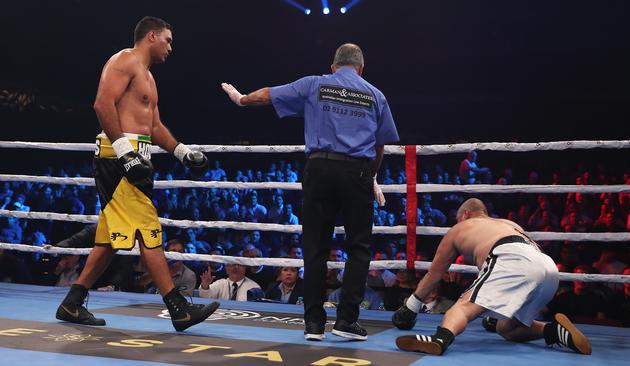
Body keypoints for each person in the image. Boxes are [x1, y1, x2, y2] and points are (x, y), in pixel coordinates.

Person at [222, 43, 399, 341]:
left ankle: (313, 325)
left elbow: (267, 94)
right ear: (361, 69)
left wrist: (241, 100)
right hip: (356, 172)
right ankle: (346, 321)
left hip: (318, 169)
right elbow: (381, 145)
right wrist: (371, 176)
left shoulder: (315, 84)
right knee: (358, 247)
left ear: (333, 66)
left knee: (315, 247)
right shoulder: (375, 95)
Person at [55, 16, 218, 332]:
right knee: (147, 228)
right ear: (152, 36)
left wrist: (183, 151)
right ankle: (178, 308)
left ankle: (72, 303)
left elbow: (154, 127)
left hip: (135, 158)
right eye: (168, 40)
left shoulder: (150, 79)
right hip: (118, 159)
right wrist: (123, 151)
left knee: (111, 238)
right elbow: (102, 104)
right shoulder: (125, 60)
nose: (171, 47)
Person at [392, 198, 591, 356]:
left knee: (463, 307)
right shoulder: (508, 223)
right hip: (547, 267)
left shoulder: (459, 229)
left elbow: (434, 275)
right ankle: (555, 332)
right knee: (507, 328)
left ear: (466, 215)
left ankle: (439, 340)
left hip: (511, 259)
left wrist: (410, 307)